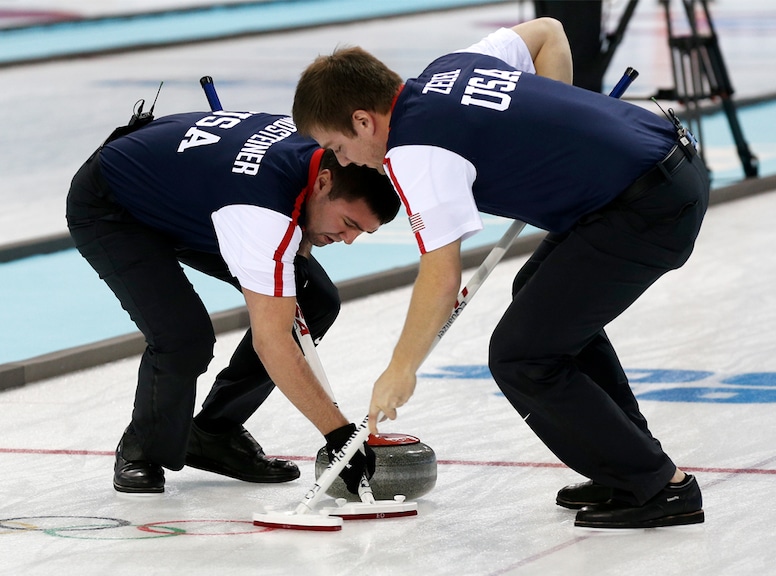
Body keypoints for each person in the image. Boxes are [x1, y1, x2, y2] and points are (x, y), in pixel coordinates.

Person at [291, 17, 709, 529]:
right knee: (534, 295)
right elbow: (549, 33)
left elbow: (441, 277)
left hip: (645, 207)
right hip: (656, 171)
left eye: (336, 147)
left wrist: (400, 368)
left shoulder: (415, 153)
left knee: (522, 355)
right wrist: (555, 134)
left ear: (362, 120)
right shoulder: (449, 70)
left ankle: (660, 488)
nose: (345, 160)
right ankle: (628, 465)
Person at [66, 105, 400, 495]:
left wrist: (307, 235)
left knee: (314, 299)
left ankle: (213, 432)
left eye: (363, 232)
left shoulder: (323, 145)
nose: (348, 240)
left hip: (192, 195)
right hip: (114, 206)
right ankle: (142, 449)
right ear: (323, 182)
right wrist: (338, 432)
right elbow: (272, 341)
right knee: (183, 336)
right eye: (348, 224)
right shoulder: (262, 212)